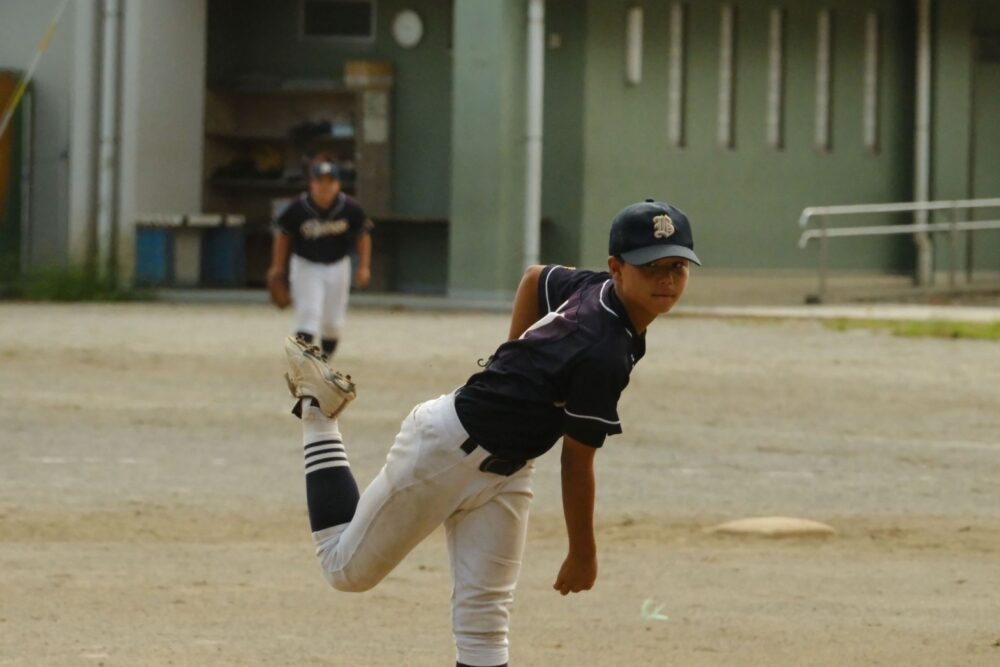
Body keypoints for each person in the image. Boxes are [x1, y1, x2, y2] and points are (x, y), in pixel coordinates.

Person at [282, 199, 701, 667]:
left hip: (511, 468)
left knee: (485, 625)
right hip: (445, 449)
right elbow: (576, 462)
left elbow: (535, 278)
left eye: (677, 267)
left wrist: (513, 355)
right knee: (345, 572)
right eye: (651, 268)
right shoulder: (600, 348)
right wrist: (583, 552)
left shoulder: (599, 290)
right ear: (617, 269)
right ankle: (319, 414)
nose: (666, 280)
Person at [267, 154, 373, 358]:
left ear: (338, 184)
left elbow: (363, 236)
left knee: (333, 322)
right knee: (309, 314)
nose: (325, 187)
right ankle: (304, 364)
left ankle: (325, 361)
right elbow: (283, 236)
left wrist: (363, 267)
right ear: (311, 184)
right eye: (320, 182)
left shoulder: (350, 208)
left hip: (338, 265)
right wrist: (277, 267)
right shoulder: (298, 208)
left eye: (330, 182)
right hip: (306, 265)